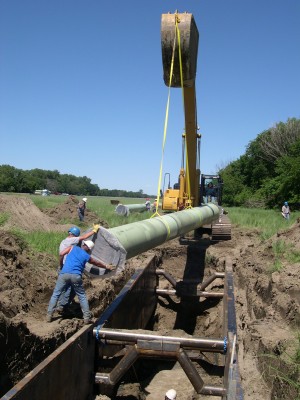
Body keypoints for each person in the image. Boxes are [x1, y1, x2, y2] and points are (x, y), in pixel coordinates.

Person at [46, 240, 115, 324]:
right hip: (76, 276)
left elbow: (61, 254)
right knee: (82, 296)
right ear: (89, 250)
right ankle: (86, 318)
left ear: (83, 244)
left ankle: (49, 316)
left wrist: (61, 264)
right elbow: (96, 263)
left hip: (64, 274)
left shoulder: (72, 248)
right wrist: (107, 266)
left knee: (56, 294)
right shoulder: (86, 256)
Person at [56, 224, 100, 311]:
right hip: (68, 268)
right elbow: (83, 237)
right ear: (75, 235)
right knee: (71, 289)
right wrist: (94, 231)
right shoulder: (72, 239)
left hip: (62, 267)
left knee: (63, 288)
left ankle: (60, 305)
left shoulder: (63, 241)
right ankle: (62, 307)